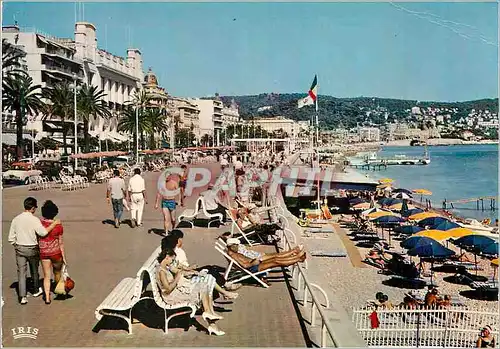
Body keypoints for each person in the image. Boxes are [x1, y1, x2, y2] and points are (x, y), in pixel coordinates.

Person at [156, 248, 236, 336]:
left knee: (205, 285)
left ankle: (209, 314)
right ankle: (210, 316)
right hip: (172, 297)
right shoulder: (161, 272)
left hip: (177, 291)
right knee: (203, 287)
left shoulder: (165, 267)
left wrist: (184, 273)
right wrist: (177, 277)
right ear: (167, 257)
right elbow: (168, 290)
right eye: (172, 259)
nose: (172, 262)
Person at [8, 197, 60, 304]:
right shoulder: (34, 220)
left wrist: (16, 245)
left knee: (21, 272)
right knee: (34, 270)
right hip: (32, 248)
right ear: (32, 208)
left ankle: (22, 296)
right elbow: (43, 233)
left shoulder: (16, 219)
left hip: (20, 248)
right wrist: (54, 224)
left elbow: (11, 238)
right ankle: (36, 290)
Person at [162, 230, 241, 291]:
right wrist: (191, 270)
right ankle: (225, 285)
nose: (182, 241)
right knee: (211, 270)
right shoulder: (175, 254)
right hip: (187, 275)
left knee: (210, 268)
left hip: (188, 270)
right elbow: (178, 269)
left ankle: (223, 284)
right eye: (180, 240)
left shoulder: (175, 252)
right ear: (177, 241)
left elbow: (180, 266)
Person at [226, 239, 306, 281]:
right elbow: (245, 265)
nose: (238, 247)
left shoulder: (232, 252)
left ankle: (297, 258)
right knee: (276, 261)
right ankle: (298, 258)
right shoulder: (233, 255)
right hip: (252, 268)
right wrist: (254, 262)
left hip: (254, 262)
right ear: (231, 246)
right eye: (236, 245)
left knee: (276, 258)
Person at [39, 200, 66, 305]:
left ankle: (47, 297)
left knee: (46, 275)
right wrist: (64, 256)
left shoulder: (40, 224)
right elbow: (61, 243)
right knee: (57, 272)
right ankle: (59, 290)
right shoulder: (58, 226)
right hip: (56, 252)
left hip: (44, 252)